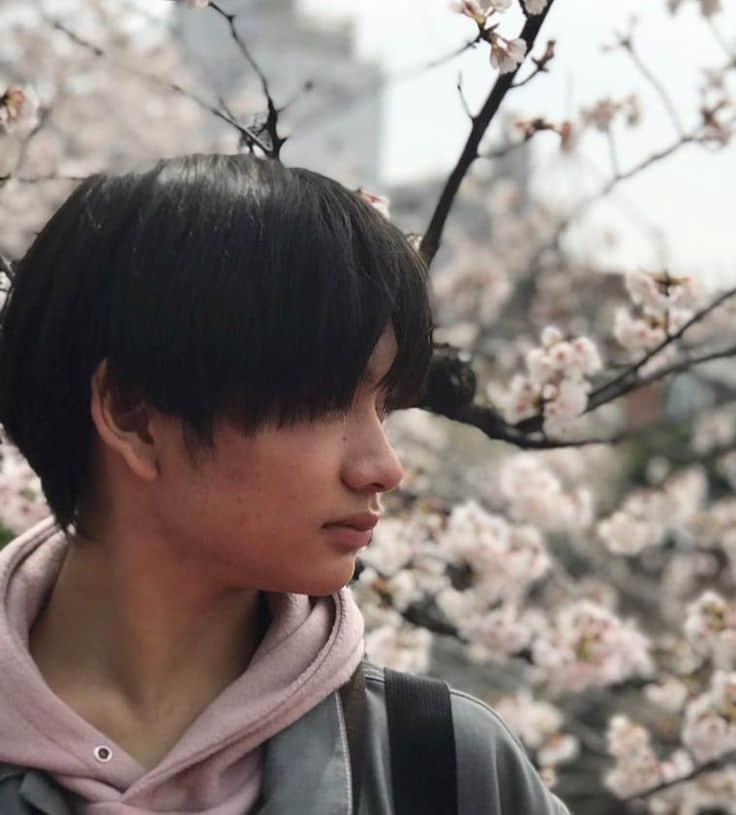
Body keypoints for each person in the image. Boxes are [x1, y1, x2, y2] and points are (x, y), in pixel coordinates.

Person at [0, 154, 572, 814]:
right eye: (331, 400)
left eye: (383, 408)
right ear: (133, 413)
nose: (384, 465)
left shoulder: (442, 766)